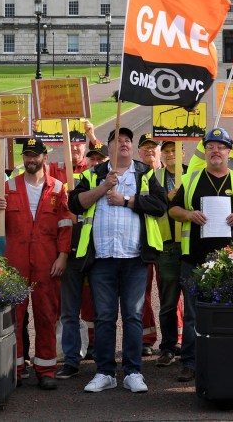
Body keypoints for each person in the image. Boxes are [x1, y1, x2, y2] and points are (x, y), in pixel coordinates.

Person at [68, 127, 167, 394]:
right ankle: (105, 372)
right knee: (104, 317)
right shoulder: (93, 174)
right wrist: (104, 187)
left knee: (134, 316)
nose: (124, 144)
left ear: (132, 148)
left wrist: (127, 200)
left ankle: (133, 371)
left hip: (135, 257)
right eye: (118, 140)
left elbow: (160, 206)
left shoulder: (144, 173)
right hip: (102, 258)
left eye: (127, 141)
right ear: (108, 147)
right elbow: (75, 204)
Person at [168, 128, 233, 383]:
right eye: (210, 147)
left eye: (220, 147)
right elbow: (173, 209)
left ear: (229, 152)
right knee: (192, 314)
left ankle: (228, 359)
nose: (215, 151)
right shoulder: (191, 179)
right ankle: (189, 363)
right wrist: (188, 215)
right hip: (194, 260)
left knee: (229, 312)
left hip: (230, 261)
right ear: (206, 151)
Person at [0, 138, 72, 390]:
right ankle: (15, 369)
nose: (31, 160)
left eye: (35, 155)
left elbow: (65, 226)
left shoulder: (57, 188)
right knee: (15, 317)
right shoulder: (8, 186)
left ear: (45, 157)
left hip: (48, 261)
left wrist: (63, 255)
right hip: (16, 260)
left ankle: (46, 369)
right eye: (27, 155)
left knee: (47, 314)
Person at [55, 141, 111, 380]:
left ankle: (102, 358)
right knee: (69, 311)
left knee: (101, 310)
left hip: (99, 254)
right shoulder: (79, 182)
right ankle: (71, 359)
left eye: (101, 159)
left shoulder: (114, 183)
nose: (96, 163)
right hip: (74, 252)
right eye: (93, 159)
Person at [152, 140, 185, 367]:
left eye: (175, 150)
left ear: (183, 151)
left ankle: (192, 346)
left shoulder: (193, 174)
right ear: (162, 155)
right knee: (168, 301)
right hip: (167, 245)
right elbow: (149, 204)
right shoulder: (155, 177)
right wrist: (167, 198)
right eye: (167, 151)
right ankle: (168, 347)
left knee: (193, 301)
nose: (171, 154)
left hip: (191, 244)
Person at [137, 133, 162, 358]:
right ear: (139, 152)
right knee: (141, 293)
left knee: (170, 295)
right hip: (145, 242)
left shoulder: (174, 172)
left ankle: (177, 339)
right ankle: (146, 338)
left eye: (153, 147)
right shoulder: (136, 174)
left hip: (170, 243)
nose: (149, 151)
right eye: (145, 148)